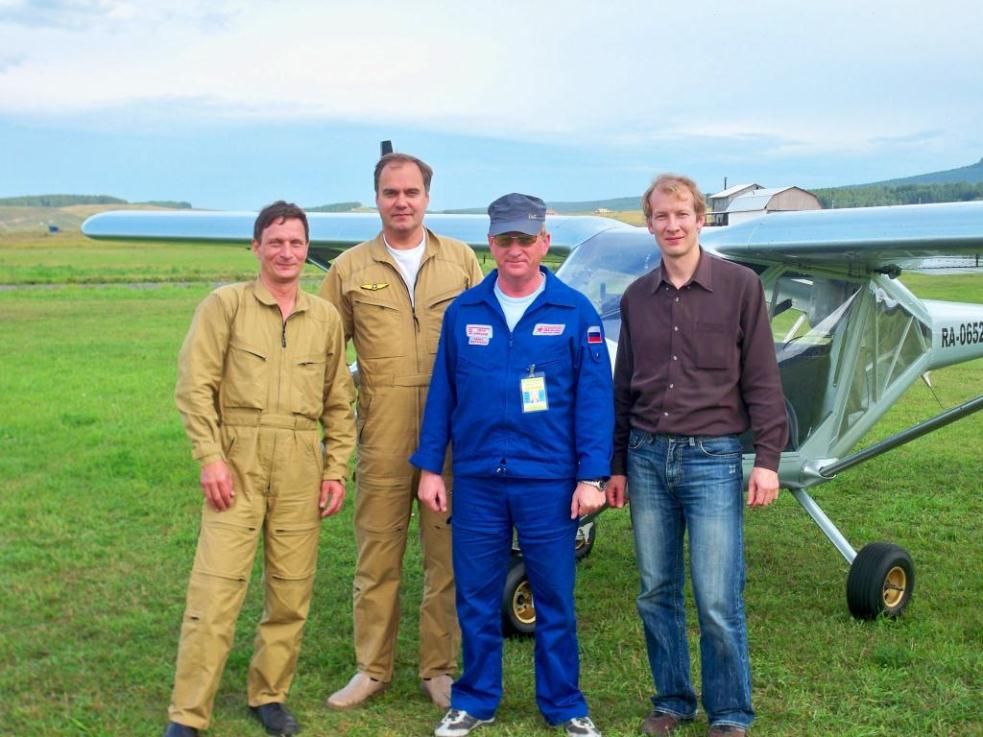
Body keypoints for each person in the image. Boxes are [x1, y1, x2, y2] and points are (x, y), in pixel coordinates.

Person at [411, 193, 613, 737]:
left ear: (544, 242)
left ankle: (565, 704)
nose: (515, 249)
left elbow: (595, 401)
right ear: (491, 243)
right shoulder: (465, 312)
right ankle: (475, 700)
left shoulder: (574, 312)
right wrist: (430, 468)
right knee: (476, 597)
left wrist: (592, 476)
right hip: (479, 479)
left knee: (554, 598)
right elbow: (443, 395)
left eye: (526, 239)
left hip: (548, 480)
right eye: (505, 239)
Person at [163, 202, 357, 737]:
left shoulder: (325, 319)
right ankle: (188, 713)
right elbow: (195, 387)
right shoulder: (224, 306)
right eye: (276, 242)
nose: (286, 252)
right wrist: (210, 458)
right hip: (238, 461)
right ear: (256, 247)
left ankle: (269, 695)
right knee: (215, 592)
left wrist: (335, 469)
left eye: (296, 243)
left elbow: (339, 402)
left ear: (306, 249)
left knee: (290, 593)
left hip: (300, 464)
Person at [605, 175, 788, 737]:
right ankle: (672, 701)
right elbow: (623, 386)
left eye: (682, 214)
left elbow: (763, 377)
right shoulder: (637, 297)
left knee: (716, 597)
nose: (672, 225)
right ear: (649, 224)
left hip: (712, 458)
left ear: (700, 219)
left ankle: (729, 714)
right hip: (646, 457)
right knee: (655, 592)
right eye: (661, 216)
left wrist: (767, 459)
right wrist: (616, 465)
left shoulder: (740, 287)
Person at [319, 153, 483, 710]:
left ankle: (439, 669)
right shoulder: (349, 269)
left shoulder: (460, 261)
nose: (402, 202)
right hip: (383, 436)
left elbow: (485, 342)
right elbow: (325, 355)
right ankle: (371, 669)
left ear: (427, 197)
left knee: (446, 560)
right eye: (391, 193)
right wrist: (339, 423)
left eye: (411, 192)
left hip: (449, 440)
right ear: (377, 198)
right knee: (377, 558)